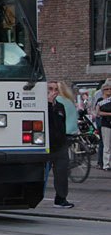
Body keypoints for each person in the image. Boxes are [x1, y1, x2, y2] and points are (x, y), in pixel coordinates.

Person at [47, 80, 74, 209]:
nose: (53, 92)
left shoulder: (60, 107)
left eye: (55, 90)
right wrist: (48, 105)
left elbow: (61, 125)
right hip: (46, 144)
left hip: (59, 144)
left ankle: (61, 198)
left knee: (62, 171)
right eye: (50, 89)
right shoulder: (41, 106)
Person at [94, 79, 111, 171]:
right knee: (106, 144)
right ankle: (106, 164)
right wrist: (108, 114)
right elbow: (98, 112)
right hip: (105, 123)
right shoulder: (100, 100)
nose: (109, 91)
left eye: (110, 89)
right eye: (106, 89)